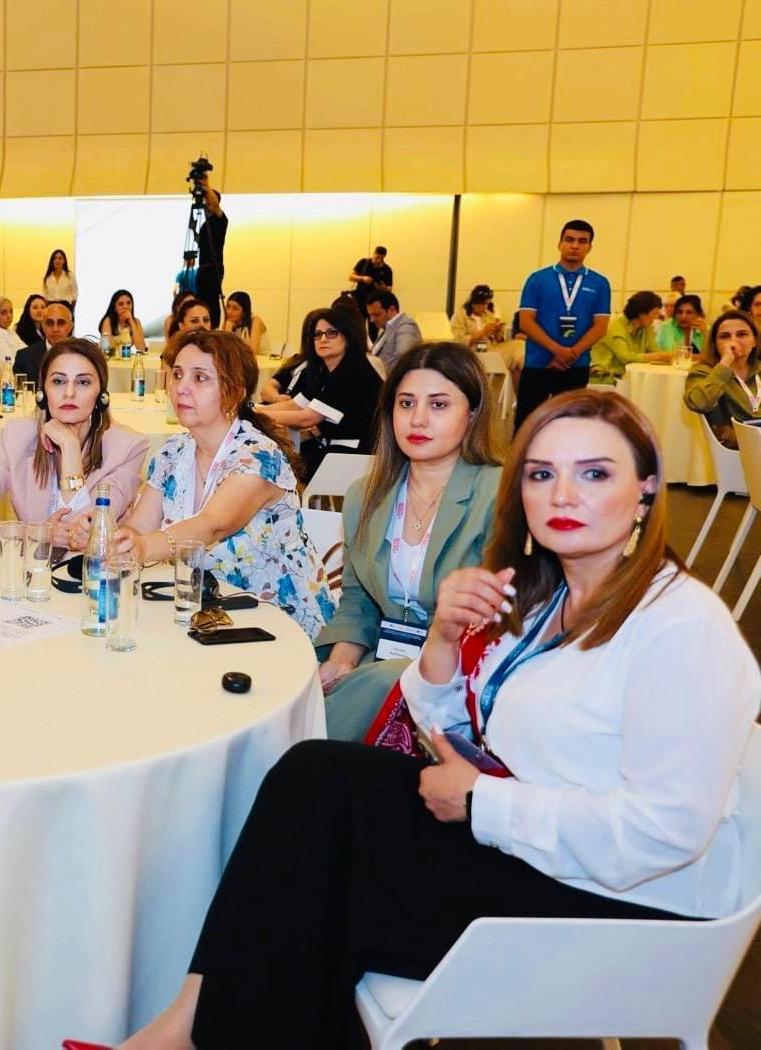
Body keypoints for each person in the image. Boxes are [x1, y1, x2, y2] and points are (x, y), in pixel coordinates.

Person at [115, 389, 759, 1050]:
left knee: (322, 877)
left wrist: (483, 802)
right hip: (540, 843)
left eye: (594, 473)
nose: (563, 494)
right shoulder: (548, 596)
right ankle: (190, 1024)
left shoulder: (680, 627)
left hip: (623, 902)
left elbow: (666, 832)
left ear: (646, 489)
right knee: (317, 774)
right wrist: (445, 641)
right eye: (541, 474)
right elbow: (453, 730)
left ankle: (194, 1033)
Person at [89, 329, 334, 637]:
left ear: (235, 393)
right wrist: (117, 538)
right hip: (203, 613)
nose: (181, 388)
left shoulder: (258, 456)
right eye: (177, 374)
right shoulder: (173, 452)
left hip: (274, 620)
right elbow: (140, 528)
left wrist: (143, 547)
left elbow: (213, 525)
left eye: (200, 378)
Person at [315, 343, 504, 742]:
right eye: (406, 403)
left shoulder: (499, 494)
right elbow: (358, 601)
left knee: (356, 704)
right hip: (378, 661)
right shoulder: (365, 495)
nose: (418, 419)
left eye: (438, 405)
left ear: (472, 413)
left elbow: (500, 620)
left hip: (460, 673)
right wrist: (342, 664)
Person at [0, 340, 147, 543]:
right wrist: (33, 533)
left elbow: (85, 536)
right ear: (42, 393)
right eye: (58, 381)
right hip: (33, 561)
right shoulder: (18, 436)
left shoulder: (127, 448)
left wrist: (70, 448)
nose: (69, 393)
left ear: (101, 396)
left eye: (83, 382)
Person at [260, 307, 382, 475]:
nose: (323, 339)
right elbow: (295, 405)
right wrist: (254, 409)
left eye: (331, 333)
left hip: (358, 455)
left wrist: (256, 415)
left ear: (347, 337)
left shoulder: (352, 370)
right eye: (317, 334)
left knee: (280, 466)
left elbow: (306, 418)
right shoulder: (326, 370)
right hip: (335, 448)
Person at [514, 219, 612, 428]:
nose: (575, 245)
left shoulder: (600, 283)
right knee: (527, 424)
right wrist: (558, 351)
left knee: (571, 426)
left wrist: (571, 354)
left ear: (589, 247)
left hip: (577, 364)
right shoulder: (537, 279)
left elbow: (600, 326)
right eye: (569, 240)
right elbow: (526, 322)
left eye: (582, 241)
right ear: (559, 244)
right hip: (538, 363)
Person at [684, 309, 761, 448]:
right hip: (736, 448)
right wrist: (726, 362)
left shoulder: (758, 369)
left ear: (755, 341)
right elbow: (699, 403)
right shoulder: (704, 372)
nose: (733, 341)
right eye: (725, 336)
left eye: (742, 334)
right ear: (715, 344)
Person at [589, 290, 675, 383]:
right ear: (641, 313)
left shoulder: (646, 328)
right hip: (605, 380)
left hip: (628, 379)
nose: (656, 317)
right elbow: (626, 358)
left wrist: (667, 356)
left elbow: (655, 351)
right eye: (654, 313)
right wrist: (658, 356)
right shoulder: (614, 326)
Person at [190, 171, 229, 328]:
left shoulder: (220, 220)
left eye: (208, 201)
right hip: (203, 268)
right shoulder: (205, 224)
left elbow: (215, 205)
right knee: (201, 300)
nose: (206, 204)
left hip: (213, 268)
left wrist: (206, 185)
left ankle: (212, 326)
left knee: (211, 300)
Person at [449, 283, 518, 371]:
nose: (485, 307)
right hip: (471, 352)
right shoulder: (460, 315)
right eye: (483, 304)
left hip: (490, 349)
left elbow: (497, 341)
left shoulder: (488, 315)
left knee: (519, 345)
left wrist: (498, 332)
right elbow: (458, 341)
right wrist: (484, 331)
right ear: (474, 303)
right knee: (514, 357)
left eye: (487, 304)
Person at [13, 299, 73, 382]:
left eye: (61, 323)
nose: (55, 329)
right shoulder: (24, 358)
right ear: (43, 326)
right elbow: (21, 389)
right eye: (49, 323)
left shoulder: (82, 356)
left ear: (70, 327)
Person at [364, 290, 423, 368]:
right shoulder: (387, 328)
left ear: (392, 309)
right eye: (370, 315)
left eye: (376, 315)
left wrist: (377, 373)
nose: (372, 320)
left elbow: (402, 358)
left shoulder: (407, 326)